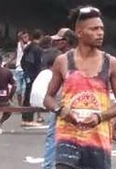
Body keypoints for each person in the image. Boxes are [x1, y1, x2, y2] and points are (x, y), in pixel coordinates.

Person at [44, 7, 116, 169]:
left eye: (102, 29)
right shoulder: (63, 61)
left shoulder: (110, 63)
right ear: (79, 32)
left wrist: (100, 117)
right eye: (94, 29)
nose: (100, 33)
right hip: (68, 139)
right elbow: (48, 98)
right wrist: (61, 111)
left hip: (98, 142)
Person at [33, 28, 77, 167]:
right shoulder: (64, 58)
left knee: (54, 138)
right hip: (59, 104)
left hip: (65, 104)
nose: (55, 42)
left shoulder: (68, 59)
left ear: (66, 41)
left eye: (59, 40)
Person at [20, 30, 45, 126]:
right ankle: (28, 118)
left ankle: (25, 117)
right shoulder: (37, 49)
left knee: (27, 94)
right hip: (34, 74)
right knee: (31, 95)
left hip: (28, 73)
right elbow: (38, 63)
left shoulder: (28, 47)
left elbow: (23, 61)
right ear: (41, 37)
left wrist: (26, 70)